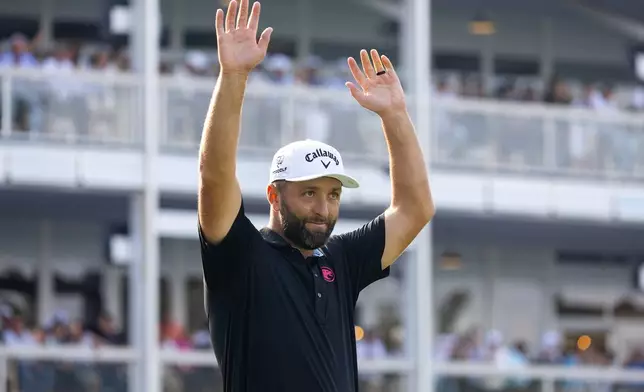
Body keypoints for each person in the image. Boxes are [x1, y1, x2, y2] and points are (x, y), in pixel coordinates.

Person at [197, 0, 435, 391]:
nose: (323, 210)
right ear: (274, 195)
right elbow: (214, 174)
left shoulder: (340, 260)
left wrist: (395, 116)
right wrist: (234, 76)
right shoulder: (240, 254)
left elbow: (416, 209)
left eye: (333, 195)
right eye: (309, 193)